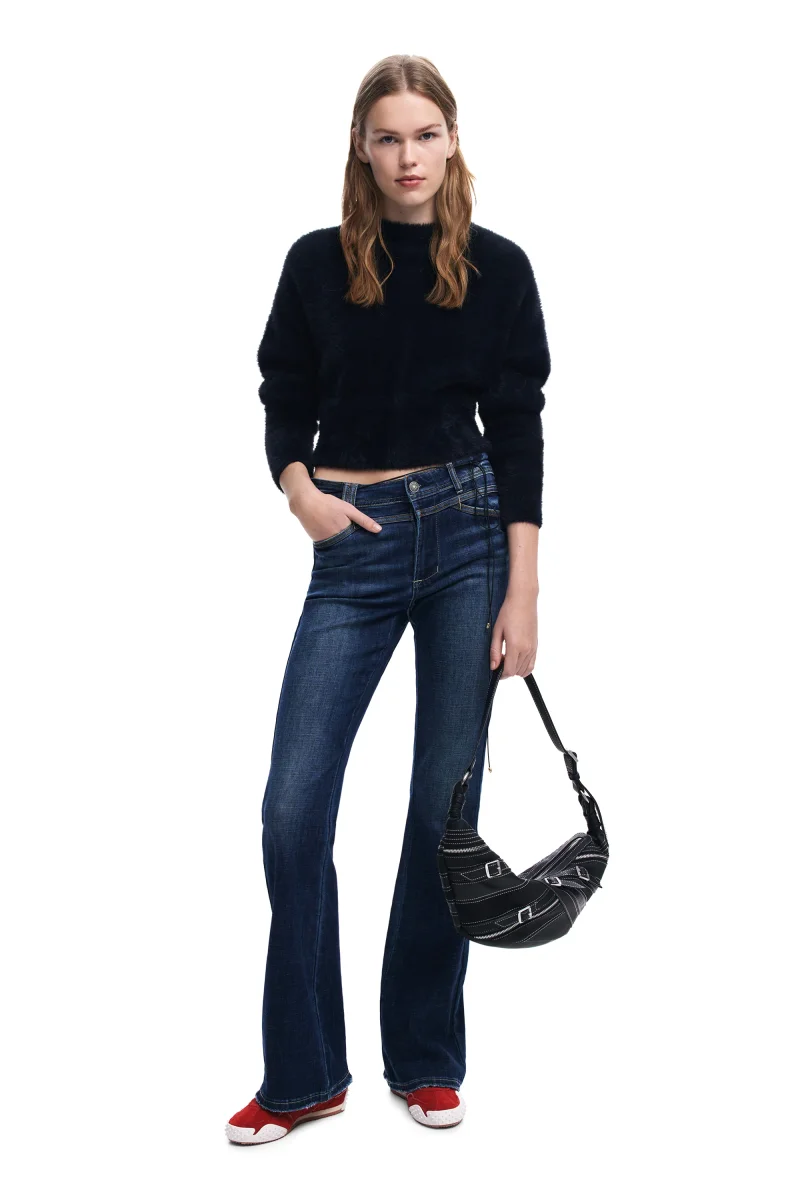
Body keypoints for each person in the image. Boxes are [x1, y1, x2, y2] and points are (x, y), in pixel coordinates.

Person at [226, 53, 550, 1144]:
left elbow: (518, 429)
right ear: (360, 151)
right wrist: (300, 495)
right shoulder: (316, 263)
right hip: (353, 545)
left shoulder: (497, 269)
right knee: (291, 809)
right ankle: (304, 1074)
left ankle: (423, 1056)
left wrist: (523, 589)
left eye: (425, 134)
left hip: (468, 537)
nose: (408, 156)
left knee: (440, 811)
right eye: (387, 137)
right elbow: (282, 392)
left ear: (451, 141)